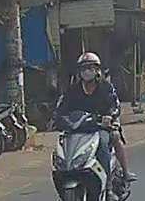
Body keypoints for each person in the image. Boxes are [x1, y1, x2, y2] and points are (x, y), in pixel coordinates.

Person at [56, 52, 135, 181]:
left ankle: (114, 177)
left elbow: (115, 106)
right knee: (63, 147)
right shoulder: (72, 90)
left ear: (97, 70)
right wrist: (58, 120)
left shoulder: (106, 88)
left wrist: (109, 117)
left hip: (100, 127)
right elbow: (62, 109)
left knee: (107, 141)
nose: (87, 71)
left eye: (90, 68)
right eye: (84, 68)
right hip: (79, 128)